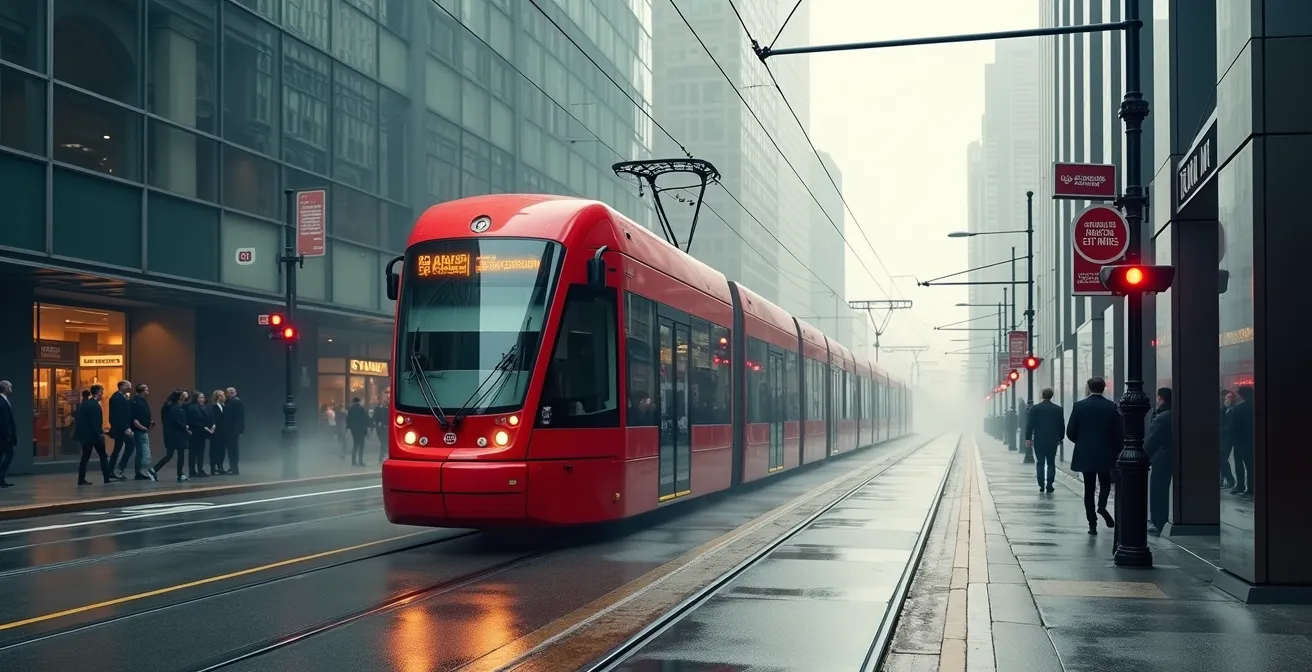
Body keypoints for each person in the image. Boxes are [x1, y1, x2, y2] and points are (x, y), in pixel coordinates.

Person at [1065, 377, 1121, 535]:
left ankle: (1092, 524)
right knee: (1105, 482)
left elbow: (1071, 431)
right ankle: (1102, 507)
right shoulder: (1112, 407)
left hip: (1085, 452)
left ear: (1088, 388)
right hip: (1106, 452)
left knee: (1088, 489)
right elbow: (1118, 432)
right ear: (1104, 388)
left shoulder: (1079, 406)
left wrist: (1081, 441)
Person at [1025, 388, 1065, 493]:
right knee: (1051, 462)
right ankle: (1050, 485)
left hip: (1039, 439)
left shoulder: (1035, 408)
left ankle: (1041, 485)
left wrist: (1028, 438)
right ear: (1052, 396)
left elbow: (1030, 424)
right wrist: (1060, 438)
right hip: (1052, 440)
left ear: (1042, 395)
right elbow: (1061, 426)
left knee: (1040, 462)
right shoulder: (1058, 409)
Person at [1145, 387, 1173, 535]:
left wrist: (1143, 456)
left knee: (1157, 490)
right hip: (1168, 455)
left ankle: (1158, 521)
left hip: (1161, 457)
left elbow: (1152, 440)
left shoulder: (1162, 417)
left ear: (1161, 398)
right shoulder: (1170, 414)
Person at [75, 384, 116, 485]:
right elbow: (95, 422)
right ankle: (106, 477)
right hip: (94, 435)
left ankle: (81, 478)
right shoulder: (94, 406)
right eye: (101, 392)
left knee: (85, 458)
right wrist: (100, 434)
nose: (102, 394)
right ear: (97, 393)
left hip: (86, 435)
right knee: (103, 456)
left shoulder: (85, 404)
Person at [154, 389, 191, 482]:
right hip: (176, 434)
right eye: (184, 395)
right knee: (176, 454)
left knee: (173, 454)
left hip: (173, 434)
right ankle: (178, 474)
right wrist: (185, 427)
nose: (186, 396)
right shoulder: (174, 407)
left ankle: (178, 473)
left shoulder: (170, 406)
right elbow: (176, 420)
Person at [1228, 386, 1254, 496]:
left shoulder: (1238, 409)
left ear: (1241, 394)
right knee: (1251, 466)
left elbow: (1233, 427)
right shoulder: (1255, 406)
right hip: (1252, 441)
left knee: (1239, 465)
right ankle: (1252, 487)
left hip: (1239, 442)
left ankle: (1240, 486)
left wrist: (1232, 440)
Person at [128, 383, 156, 480]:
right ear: (142, 391)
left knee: (141, 452)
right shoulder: (135, 402)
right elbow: (134, 418)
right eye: (146, 390)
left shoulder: (142, 401)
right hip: (139, 430)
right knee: (144, 452)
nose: (148, 392)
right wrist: (142, 427)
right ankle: (142, 471)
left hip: (143, 429)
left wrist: (149, 423)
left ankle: (140, 472)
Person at [107, 380, 134, 480]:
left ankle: (111, 470)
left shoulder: (122, 397)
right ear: (122, 386)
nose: (130, 387)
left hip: (121, 427)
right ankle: (119, 469)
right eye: (128, 385)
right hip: (121, 428)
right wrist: (126, 428)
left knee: (117, 448)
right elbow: (117, 415)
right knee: (130, 444)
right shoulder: (116, 398)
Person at [186, 391, 212, 477]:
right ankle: (192, 471)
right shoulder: (192, 407)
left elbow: (208, 419)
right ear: (196, 398)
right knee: (193, 453)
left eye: (203, 397)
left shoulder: (204, 407)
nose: (202, 399)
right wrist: (204, 427)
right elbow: (193, 421)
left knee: (201, 453)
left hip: (202, 434)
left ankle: (200, 470)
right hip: (195, 433)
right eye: (200, 397)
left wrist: (211, 426)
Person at [224, 387, 245, 475]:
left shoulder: (237, 401)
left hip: (233, 431)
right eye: (230, 391)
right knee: (231, 450)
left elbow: (240, 418)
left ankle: (234, 468)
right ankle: (233, 468)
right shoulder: (228, 402)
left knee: (233, 450)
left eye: (233, 391)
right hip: (229, 430)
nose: (232, 392)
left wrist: (238, 431)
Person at [0, 380, 16, 488]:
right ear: (5, 387)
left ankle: (1, 479)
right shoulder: (2, 402)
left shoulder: (4, 401)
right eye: (10, 387)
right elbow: (4, 420)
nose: (11, 388)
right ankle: (1, 477)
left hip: (4, 435)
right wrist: (8, 434)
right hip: (4, 436)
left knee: (3, 455)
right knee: (9, 454)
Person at [346, 397, 370, 467]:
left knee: (355, 445)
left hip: (354, 430)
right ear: (359, 402)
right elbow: (365, 420)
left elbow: (348, 420)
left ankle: (353, 462)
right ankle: (360, 461)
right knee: (361, 446)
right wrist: (366, 430)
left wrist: (350, 428)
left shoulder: (351, 409)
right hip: (361, 430)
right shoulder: (362, 409)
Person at [209, 390, 228, 474]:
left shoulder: (224, 406)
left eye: (223, 395)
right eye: (222, 395)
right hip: (216, 433)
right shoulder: (214, 407)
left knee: (222, 450)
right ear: (217, 397)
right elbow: (213, 419)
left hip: (223, 433)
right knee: (214, 450)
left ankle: (220, 467)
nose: (224, 396)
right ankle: (213, 468)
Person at [1219, 389, 1235, 488]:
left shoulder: (1231, 410)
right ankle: (1225, 479)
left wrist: (1220, 429)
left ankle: (1230, 479)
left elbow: (1229, 426)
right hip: (1222, 439)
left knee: (1222, 460)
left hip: (1227, 439)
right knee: (1222, 460)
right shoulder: (1223, 409)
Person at [373, 391, 390, 464]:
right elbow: (375, 417)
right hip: (381, 428)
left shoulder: (388, 408)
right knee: (384, 442)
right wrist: (377, 424)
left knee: (385, 443)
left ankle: (383, 456)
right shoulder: (378, 408)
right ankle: (382, 456)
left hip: (386, 427)